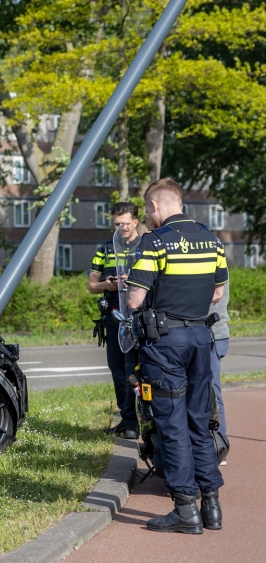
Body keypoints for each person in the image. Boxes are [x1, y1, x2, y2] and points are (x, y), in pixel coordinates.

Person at [126, 178, 227, 534]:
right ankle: (211, 506)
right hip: (202, 337)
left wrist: (132, 288)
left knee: (172, 425)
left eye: (148, 211)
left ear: (154, 206)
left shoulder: (154, 242)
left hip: (167, 342)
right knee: (201, 422)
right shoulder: (210, 238)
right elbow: (218, 291)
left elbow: (135, 301)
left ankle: (186, 509)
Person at [88, 201, 141, 439]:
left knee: (136, 367)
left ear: (136, 222)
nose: (121, 229)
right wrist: (106, 285)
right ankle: (127, 419)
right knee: (118, 368)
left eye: (125, 224)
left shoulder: (147, 245)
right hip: (113, 315)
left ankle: (142, 418)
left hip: (139, 316)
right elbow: (92, 285)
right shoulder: (106, 247)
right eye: (117, 225)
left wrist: (135, 281)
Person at [208, 282, 230, 461]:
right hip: (210, 332)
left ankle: (219, 445)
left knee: (212, 391)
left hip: (212, 332)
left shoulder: (213, 257)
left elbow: (216, 295)